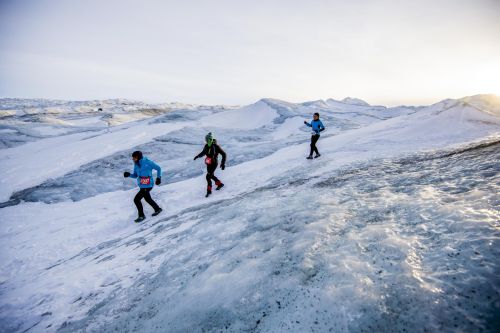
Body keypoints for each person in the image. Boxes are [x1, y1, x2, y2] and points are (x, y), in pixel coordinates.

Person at [124, 151, 163, 222]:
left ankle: (141, 216)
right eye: (132, 158)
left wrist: (158, 178)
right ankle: (157, 209)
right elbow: (135, 175)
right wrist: (129, 175)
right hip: (142, 185)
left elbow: (158, 168)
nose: (133, 159)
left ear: (138, 157)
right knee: (147, 199)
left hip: (148, 185)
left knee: (136, 199)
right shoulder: (136, 164)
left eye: (134, 157)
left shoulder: (148, 162)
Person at [193, 132, 226, 197]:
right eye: (206, 139)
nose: (207, 140)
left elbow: (224, 154)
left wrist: (223, 163)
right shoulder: (206, 146)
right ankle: (219, 184)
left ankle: (209, 191)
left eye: (209, 139)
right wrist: (197, 156)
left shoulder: (216, 146)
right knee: (210, 176)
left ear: (211, 139)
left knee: (208, 176)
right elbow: (203, 152)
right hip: (208, 163)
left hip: (214, 163)